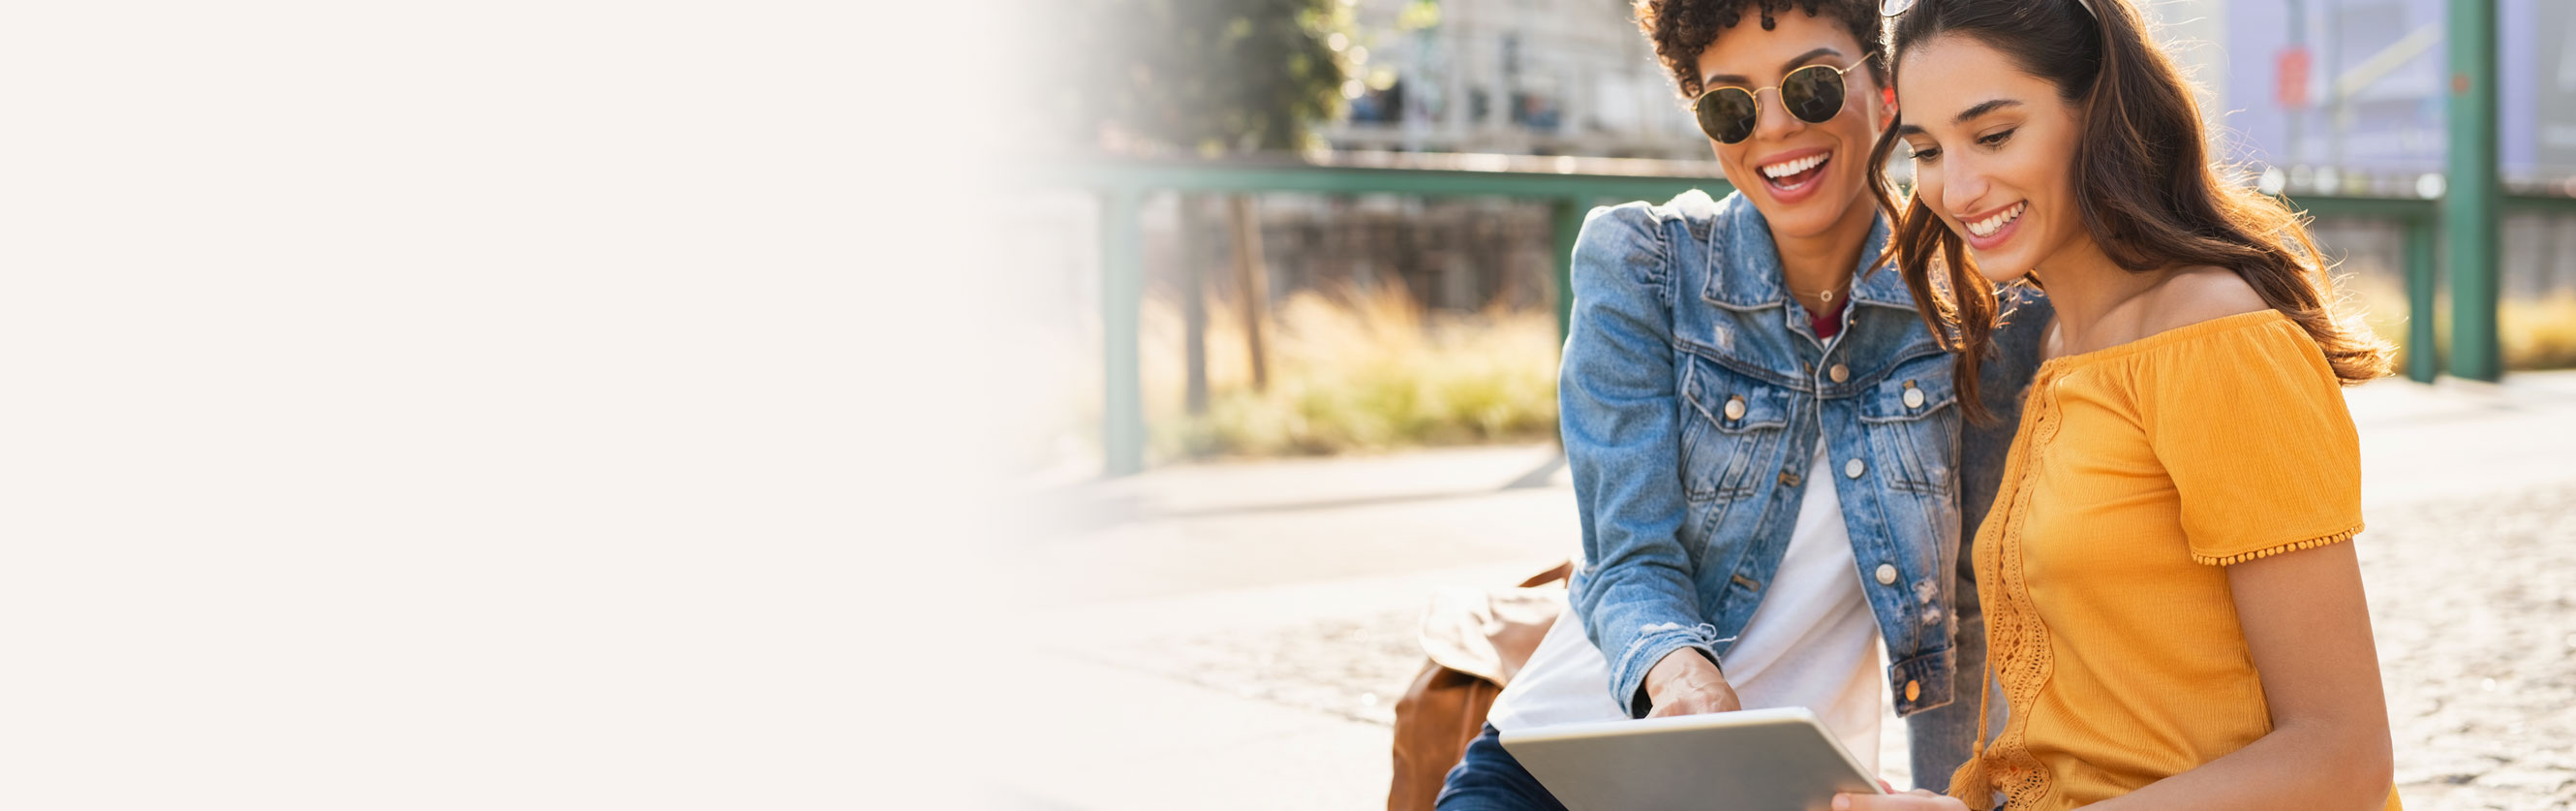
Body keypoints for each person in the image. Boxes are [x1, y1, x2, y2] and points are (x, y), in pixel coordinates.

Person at [1432, 1, 2050, 807]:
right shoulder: (1641, 265)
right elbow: (1629, 558)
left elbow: (1971, 605)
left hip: (1786, 788)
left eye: (1813, 86)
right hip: (1561, 766)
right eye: (1732, 105)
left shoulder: (1979, 311)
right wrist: (1682, 678)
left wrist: (1954, 798)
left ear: (1887, 94)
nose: (1776, 128)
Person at [1840, 0, 2401, 808]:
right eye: (1925, 150)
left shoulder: (2217, 340)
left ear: (2097, 114)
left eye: (1993, 135)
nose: (1954, 188)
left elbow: (2342, 754)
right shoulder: (2058, 348)